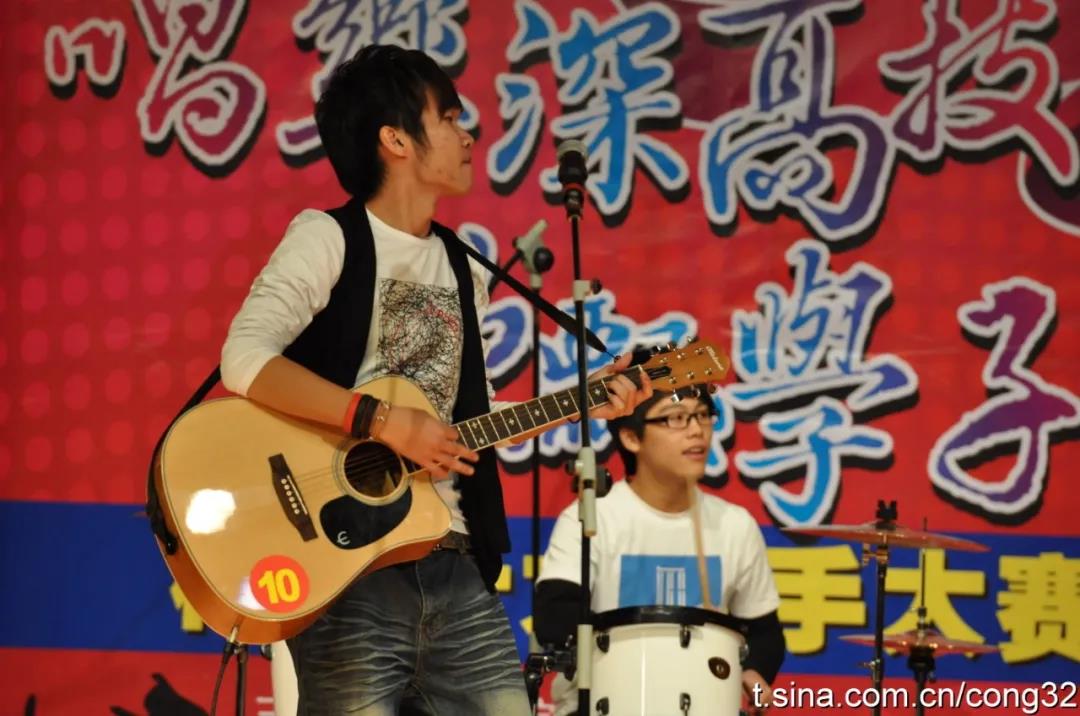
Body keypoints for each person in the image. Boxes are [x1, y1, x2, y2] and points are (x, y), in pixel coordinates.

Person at [219, 45, 651, 716]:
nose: (467, 134)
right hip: (349, 567)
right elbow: (245, 358)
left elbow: (462, 420)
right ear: (395, 140)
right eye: (448, 118)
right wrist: (380, 421)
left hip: (453, 559)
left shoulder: (463, 266)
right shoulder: (328, 238)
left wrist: (584, 402)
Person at [534, 386, 786, 715]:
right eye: (677, 418)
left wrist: (754, 671)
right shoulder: (592, 518)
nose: (696, 430)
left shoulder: (734, 525)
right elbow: (554, 618)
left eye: (702, 416)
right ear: (631, 438)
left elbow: (765, 632)